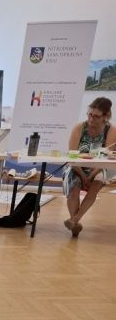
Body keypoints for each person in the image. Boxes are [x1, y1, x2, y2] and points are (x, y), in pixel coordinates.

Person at [62, 97, 115, 237]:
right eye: (90, 114)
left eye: (96, 116)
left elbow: (105, 159)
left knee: (96, 184)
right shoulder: (79, 128)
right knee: (74, 187)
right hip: (77, 166)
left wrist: (91, 176)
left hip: (98, 168)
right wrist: (83, 176)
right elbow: (72, 157)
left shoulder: (111, 130)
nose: (91, 119)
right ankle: (75, 224)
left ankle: (74, 220)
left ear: (105, 116)